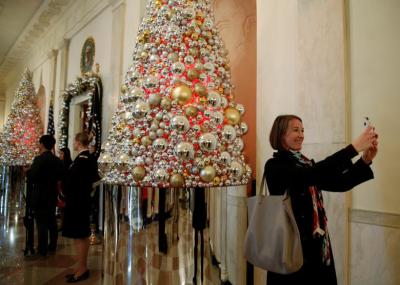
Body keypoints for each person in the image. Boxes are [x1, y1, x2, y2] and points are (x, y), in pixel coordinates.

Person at [264, 115, 378, 285]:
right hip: (290, 249)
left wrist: (365, 160)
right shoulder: (274, 166)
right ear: (281, 135)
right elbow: (312, 174)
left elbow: (340, 183)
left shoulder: (306, 164)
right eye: (295, 130)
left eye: (302, 130)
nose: (301, 134)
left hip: (317, 247)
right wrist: (353, 149)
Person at [63, 132, 99, 283]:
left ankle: (82, 269)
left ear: (78, 142)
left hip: (78, 203)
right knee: (80, 236)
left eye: (74, 141)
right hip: (80, 202)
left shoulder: (83, 159)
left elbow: (75, 181)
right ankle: (80, 267)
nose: (73, 143)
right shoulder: (85, 158)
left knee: (80, 237)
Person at [27, 135, 64, 256]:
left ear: (42, 144)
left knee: (41, 222)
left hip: (40, 194)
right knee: (51, 220)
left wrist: (27, 172)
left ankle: (42, 249)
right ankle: (52, 245)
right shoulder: (57, 160)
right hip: (52, 194)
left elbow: (33, 176)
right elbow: (60, 176)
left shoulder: (39, 159)